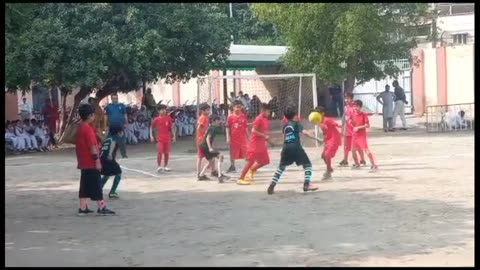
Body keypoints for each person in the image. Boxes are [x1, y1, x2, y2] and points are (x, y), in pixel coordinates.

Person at [267, 106, 318, 195]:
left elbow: (285, 138)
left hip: (286, 147)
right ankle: (306, 184)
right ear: (295, 115)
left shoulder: (284, 126)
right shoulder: (296, 123)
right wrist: (316, 138)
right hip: (296, 147)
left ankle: (272, 185)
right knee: (307, 165)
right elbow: (305, 132)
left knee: (281, 168)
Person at [75, 103, 115, 216]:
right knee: (96, 185)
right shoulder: (88, 129)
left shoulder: (80, 126)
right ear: (90, 115)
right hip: (90, 162)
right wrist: (97, 161)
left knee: (84, 185)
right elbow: (92, 146)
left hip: (83, 161)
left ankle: (83, 207)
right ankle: (101, 206)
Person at [237, 103, 271, 185]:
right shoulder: (258, 119)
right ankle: (240, 178)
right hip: (255, 144)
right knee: (250, 161)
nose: (269, 113)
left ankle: (252, 170)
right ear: (262, 111)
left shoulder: (265, 119)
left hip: (261, 144)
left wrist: (265, 138)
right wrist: (264, 136)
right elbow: (253, 131)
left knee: (265, 161)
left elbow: (262, 130)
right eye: (268, 112)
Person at [198, 115, 228, 183]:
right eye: (218, 120)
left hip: (203, 146)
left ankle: (201, 175)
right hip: (205, 146)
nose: (219, 122)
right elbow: (207, 138)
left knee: (211, 161)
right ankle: (219, 176)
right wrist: (210, 147)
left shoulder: (213, 127)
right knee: (220, 156)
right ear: (214, 121)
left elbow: (220, 131)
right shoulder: (212, 128)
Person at [315, 106, 342, 180]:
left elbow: (336, 124)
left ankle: (328, 172)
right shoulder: (318, 121)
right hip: (328, 140)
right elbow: (325, 132)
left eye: (318, 113)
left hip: (334, 139)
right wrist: (323, 140)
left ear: (322, 114)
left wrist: (342, 125)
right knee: (323, 156)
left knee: (327, 155)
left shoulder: (327, 120)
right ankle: (329, 169)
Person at [339, 92, 365, 167]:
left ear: (351, 99)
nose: (346, 100)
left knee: (358, 146)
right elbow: (344, 118)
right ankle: (345, 160)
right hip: (348, 130)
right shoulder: (345, 107)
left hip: (355, 131)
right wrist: (342, 128)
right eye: (345, 98)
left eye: (348, 98)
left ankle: (362, 159)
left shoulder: (355, 107)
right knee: (346, 146)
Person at [351, 100, 378, 170]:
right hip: (354, 135)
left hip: (361, 135)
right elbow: (352, 123)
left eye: (356, 106)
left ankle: (374, 164)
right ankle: (357, 164)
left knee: (366, 150)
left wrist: (358, 127)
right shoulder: (353, 114)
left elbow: (367, 125)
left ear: (360, 107)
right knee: (353, 150)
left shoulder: (363, 115)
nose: (355, 108)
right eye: (354, 106)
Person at [100, 125, 123, 199]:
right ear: (119, 132)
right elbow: (113, 144)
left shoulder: (107, 139)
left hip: (102, 158)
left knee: (107, 174)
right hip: (108, 159)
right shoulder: (116, 138)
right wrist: (110, 154)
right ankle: (112, 192)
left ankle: (97, 189)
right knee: (118, 172)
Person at [226, 100, 249, 173]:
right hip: (233, 138)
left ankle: (248, 166)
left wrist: (248, 136)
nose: (238, 109)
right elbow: (227, 127)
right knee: (232, 152)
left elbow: (245, 127)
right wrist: (228, 137)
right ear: (233, 108)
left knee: (246, 152)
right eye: (237, 107)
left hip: (242, 138)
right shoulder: (230, 117)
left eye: (240, 107)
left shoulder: (243, 116)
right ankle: (232, 166)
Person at [151, 104, 174, 173]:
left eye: (165, 109)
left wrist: (174, 135)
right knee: (160, 152)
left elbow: (171, 128)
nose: (164, 111)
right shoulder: (156, 120)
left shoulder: (168, 118)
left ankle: (165, 166)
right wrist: (151, 136)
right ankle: (159, 166)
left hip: (167, 138)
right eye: (162, 110)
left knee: (166, 153)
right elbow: (151, 128)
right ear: (158, 111)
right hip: (159, 139)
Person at [104, 93, 128, 158]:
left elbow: (125, 115)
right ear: (111, 99)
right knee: (111, 140)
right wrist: (105, 126)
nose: (115, 100)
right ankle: (110, 154)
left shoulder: (122, 106)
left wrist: (126, 123)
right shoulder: (108, 107)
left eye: (116, 98)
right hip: (111, 126)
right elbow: (106, 117)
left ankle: (124, 154)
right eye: (114, 98)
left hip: (120, 126)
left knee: (122, 141)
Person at [196, 104, 215, 180]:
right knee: (211, 159)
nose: (208, 111)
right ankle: (201, 174)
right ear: (203, 111)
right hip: (203, 141)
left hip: (200, 140)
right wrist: (205, 134)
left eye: (209, 110)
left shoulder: (205, 117)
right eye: (207, 110)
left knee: (200, 157)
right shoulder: (203, 118)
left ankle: (199, 173)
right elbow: (199, 127)